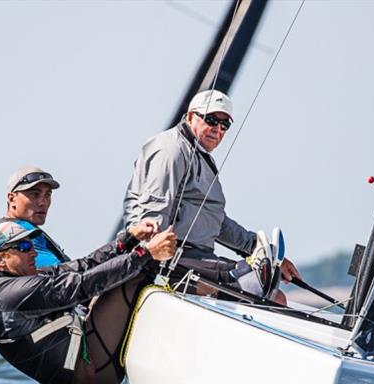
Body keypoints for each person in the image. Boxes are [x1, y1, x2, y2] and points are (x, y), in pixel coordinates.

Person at [122, 89, 300, 302]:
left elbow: (215, 221)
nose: (217, 129)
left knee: (272, 289)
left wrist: (257, 247)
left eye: (224, 125)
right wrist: (152, 260)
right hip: (171, 261)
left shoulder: (201, 156)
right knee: (268, 295)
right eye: (211, 120)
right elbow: (152, 217)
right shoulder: (171, 150)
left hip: (198, 258)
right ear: (190, 117)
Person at [0, 219, 176, 384]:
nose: (34, 252)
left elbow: (82, 266)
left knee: (128, 269)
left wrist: (128, 240)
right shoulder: (11, 295)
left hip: (90, 350)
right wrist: (146, 253)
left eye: (31, 245)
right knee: (136, 273)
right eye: (23, 246)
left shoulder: (14, 283)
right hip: (95, 369)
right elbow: (83, 285)